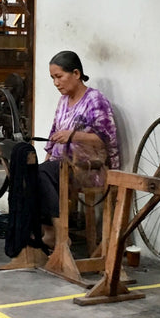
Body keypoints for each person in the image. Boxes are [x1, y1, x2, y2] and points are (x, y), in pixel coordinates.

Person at [39, 51, 120, 247]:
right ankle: (46, 231)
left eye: (59, 77)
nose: (56, 83)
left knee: (41, 174)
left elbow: (107, 141)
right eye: (52, 78)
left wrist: (74, 135)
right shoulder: (63, 101)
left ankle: (58, 234)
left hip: (88, 168)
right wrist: (47, 158)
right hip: (61, 166)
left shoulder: (95, 100)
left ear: (76, 73)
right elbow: (53, 134)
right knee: (30, 173)